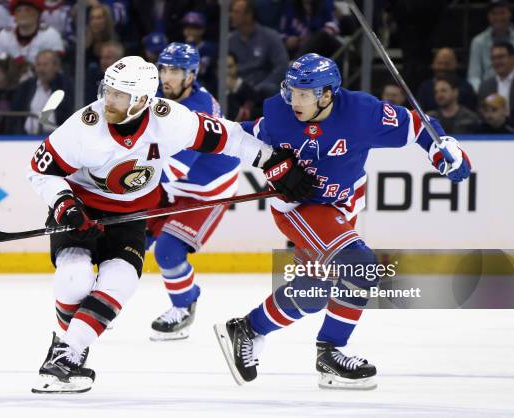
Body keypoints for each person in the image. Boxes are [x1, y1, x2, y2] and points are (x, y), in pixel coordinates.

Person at [26, 55, 314, 393]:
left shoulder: (171, 120)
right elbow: (40, 168)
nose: (109, 101)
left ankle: (67, 354)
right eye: (109, 91)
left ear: (143, 101)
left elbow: (230, 137)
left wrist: (273, 162)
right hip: (82, 209)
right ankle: (67, 343)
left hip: (131, 216)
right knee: (73, 276)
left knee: (120, 280)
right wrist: (66, 205)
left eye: (120, 95)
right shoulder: (84, 126)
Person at [214, 54, 472, 389]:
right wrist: (270, 163)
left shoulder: (363, 113)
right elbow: (242, 137)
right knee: (361, 266)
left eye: (304, 94)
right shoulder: (279, 114)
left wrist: (443, 151)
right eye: (292, 91)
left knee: (314, 291)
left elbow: (418, 126)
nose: (295, 100)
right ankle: (331, 353)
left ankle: (247, 328)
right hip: (299, 208)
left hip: (343, 205)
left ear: (327, 94)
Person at [145, 43, 241, 341]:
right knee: (128, 239)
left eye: (174, 70)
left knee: (168, 251)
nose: (166, 77)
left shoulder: (199, 113)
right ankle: (104, 302)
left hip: (207, 190)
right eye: (163, 69)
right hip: (171, 182)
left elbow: (169, 170)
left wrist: (113, 185)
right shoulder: (158, 96)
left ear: (191, 75)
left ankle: (184, 306)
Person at [229, 0, 289, 99]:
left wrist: (264, 85)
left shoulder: (270, 36)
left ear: (249, 16)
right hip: (237, 89)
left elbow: (282, 66)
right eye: (232, 11)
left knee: (270, 89)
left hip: (262, 90)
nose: (231, 15)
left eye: (236, 12)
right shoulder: (230, 40)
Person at [10, 50, 73, 134]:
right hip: (26, 139)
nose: (41, 69)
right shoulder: (26, 87)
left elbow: (67, 111)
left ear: (56, 67)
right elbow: (15, 114)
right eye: (38, 65)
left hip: (57, 138)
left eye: (45, 65)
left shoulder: (65, 85)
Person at [0, 0, 64, 69]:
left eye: (28, 10)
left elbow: (54, 71)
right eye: (18, 11)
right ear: (14, 16)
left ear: (37, 14)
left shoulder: (50, 35)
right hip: (9, 81)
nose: (22, 14)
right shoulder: (4, 35)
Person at [468, 0, 514, 92]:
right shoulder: (478, 42)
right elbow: (474, 77)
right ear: (488, 16)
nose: (498, 17)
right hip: (487, 93)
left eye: (502, 13)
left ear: (510, 14)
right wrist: (483, 94)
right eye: (494, 13)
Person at [478, 41, 514, 131]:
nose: (497, 61)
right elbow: (481, 113)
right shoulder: (485, 86)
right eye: (494, 58)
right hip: (491, 134)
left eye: (501, 57)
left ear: (512, 58)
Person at [181, 11, 217, 93]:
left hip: (204, 87)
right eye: (186, 27)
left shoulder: (208, 48)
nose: (188, 30)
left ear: (202, 30)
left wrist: (191, 46)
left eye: (193, 27)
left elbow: (201, 70)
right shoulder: (180, 47)